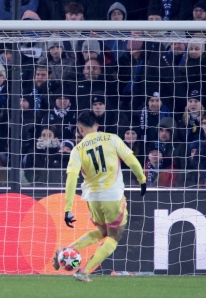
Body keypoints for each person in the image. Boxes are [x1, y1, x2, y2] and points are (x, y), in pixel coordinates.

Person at [52, 111, 146, 282]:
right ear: (97, 126)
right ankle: (84, 271)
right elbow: (131, 160)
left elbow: (71, 178)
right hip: (112, 195)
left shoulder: (77, 149)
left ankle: (67, 250)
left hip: (92, 198)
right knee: (114, 236)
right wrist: (142, 179)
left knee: (103, 230)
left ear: (80, 129)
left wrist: (68, 208)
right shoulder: (112, 138)